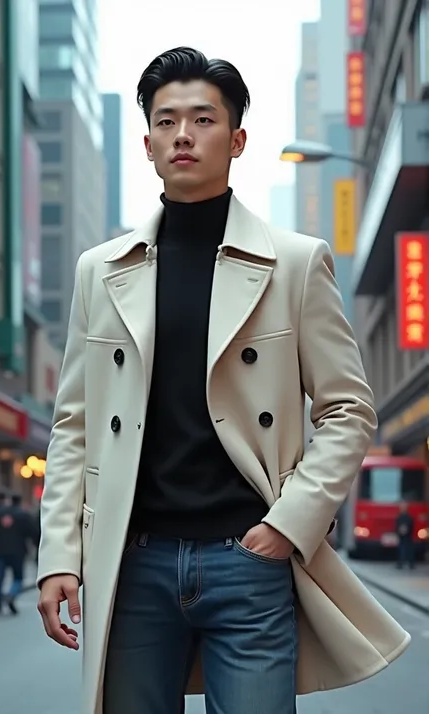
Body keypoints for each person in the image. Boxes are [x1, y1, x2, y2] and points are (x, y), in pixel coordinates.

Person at [37, 47, 410, 714]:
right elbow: (76, 424)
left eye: (203, 119)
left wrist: (287, 524)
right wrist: (60, 554)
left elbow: (348, 410)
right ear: (147, 141)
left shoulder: (294, 264)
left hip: (250, 560)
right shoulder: (101, 270)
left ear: (237, 139)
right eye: (166, 120)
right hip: (133, 562)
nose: (183, 134)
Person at [0, 492, 35, 614]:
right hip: (17, 551)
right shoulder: (23, 515)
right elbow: (33, 531)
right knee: (18, 578)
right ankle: (11, 594)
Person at [395, 501, 415, 569]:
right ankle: (401, 562)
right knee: (402, 549)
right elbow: (397, 525)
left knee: (408, 549)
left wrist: (406, 530)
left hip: (408, 536)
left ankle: (410, 563)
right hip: (402, 536)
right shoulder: (399, 516)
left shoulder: (408, 517)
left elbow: (411, 524)